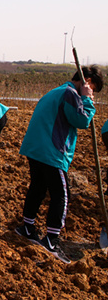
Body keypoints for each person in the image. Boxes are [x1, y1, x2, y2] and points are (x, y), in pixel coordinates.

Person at [15, 66, 103, 264]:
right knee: (61, 194)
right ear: (86, 81)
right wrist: (88, 100)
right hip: (51, 150)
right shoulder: (70, 93)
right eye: (93, 88)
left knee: (38, 187)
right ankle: (51, 240)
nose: (92, 93)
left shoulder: (57, 91)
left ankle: (27, 228)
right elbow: (82, 120)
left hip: (35, 148)